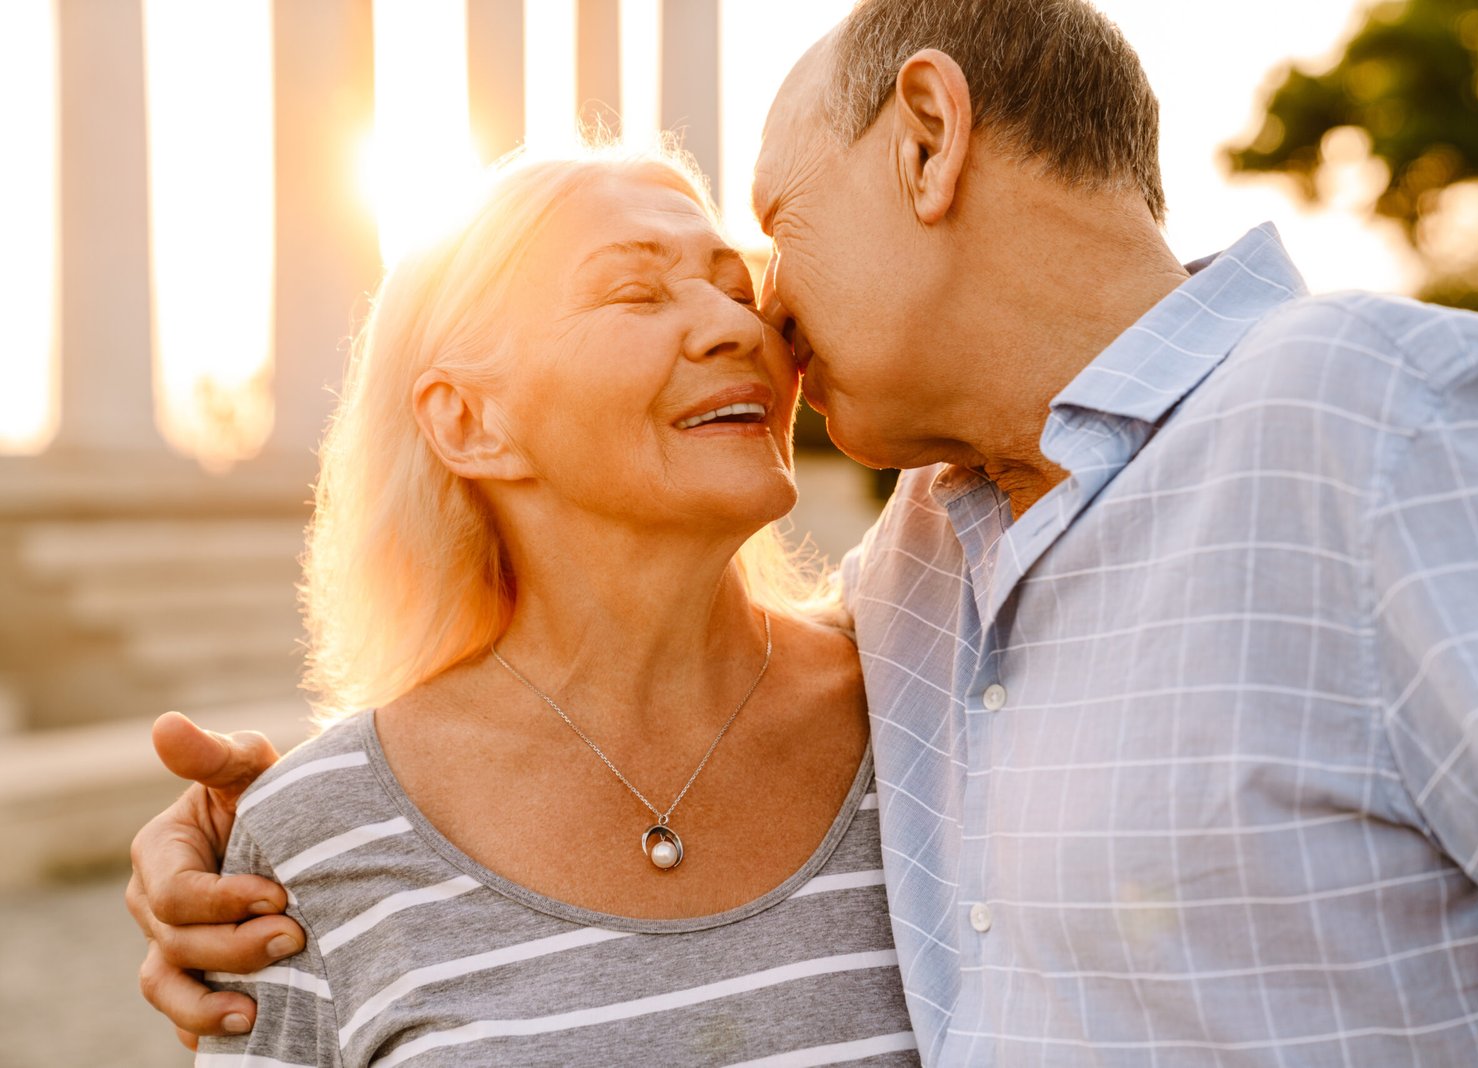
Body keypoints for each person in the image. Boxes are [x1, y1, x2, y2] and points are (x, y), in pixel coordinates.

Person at [131, 0, 1478, 1062]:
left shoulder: (1391, 416)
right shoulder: (928, 569)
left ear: (928, 141)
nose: (756, 315)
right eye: (655, 291)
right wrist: (260, 837)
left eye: (771, 232)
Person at [139, 145, 917, 1065]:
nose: (738, 328)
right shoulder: (315, 839)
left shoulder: (928, 697)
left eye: (737, 290)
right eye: (638, 294)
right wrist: (293, 822)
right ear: (472, 422)